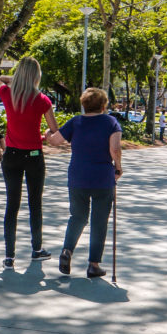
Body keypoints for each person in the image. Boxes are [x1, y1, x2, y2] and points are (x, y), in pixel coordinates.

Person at [45, 88, 121, 279]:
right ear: (104, 105)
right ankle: (93, 265)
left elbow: (55, 141)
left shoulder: (76, 122)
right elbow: (115, 149)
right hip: (103, 178)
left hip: (78, 177)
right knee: (99, 221)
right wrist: (118, 167)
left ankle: (67, 251)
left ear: (84, 105)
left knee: (77, 217)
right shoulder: (111, 122)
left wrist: (47, 134)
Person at [0, 57, 60, 269]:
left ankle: (9, 256)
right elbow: (54, 128)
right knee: (35, 203)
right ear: (36, 76)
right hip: (34, 155)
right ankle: (36, 249)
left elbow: (0, 78)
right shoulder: (43, 100)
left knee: (12, 205)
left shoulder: (7, 94)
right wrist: (45, 134)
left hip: (11, 155)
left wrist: (18, 79)